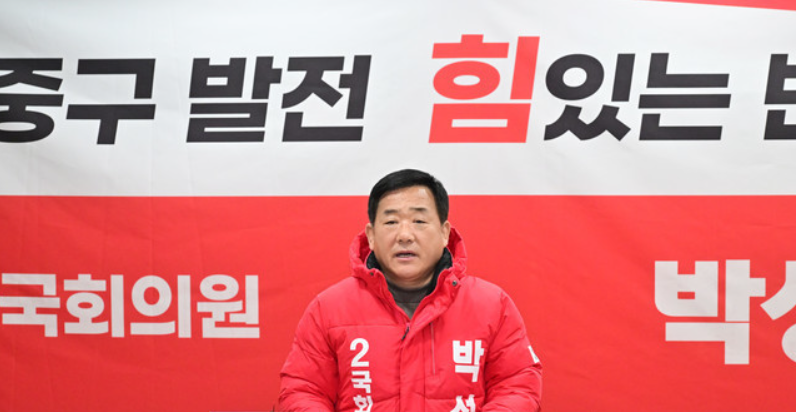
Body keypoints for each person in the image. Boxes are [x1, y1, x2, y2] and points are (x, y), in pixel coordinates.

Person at [278, 169, 542, 412]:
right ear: (371, 235)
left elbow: (517, 385)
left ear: (444, 233)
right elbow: (303, 390)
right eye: (391, 222)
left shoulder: (491, 305)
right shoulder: (329, 309)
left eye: (419, 221)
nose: (405, 235)